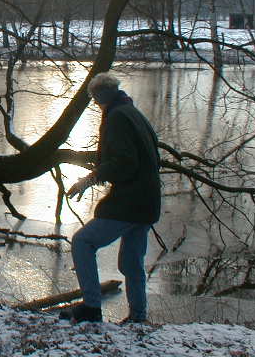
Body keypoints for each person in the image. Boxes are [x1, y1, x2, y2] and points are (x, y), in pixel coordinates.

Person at [61, 72, 161, 324]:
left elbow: (124, 162)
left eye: (95, 99)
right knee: (131, 263)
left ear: (100, 97)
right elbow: (146, 156)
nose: (95, 104)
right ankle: (138, 317)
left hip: (130, 202)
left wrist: (91, 178)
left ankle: (92, 307)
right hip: (148, 202)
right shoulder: (133, 112)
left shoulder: (116, 117)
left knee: (83, 242)